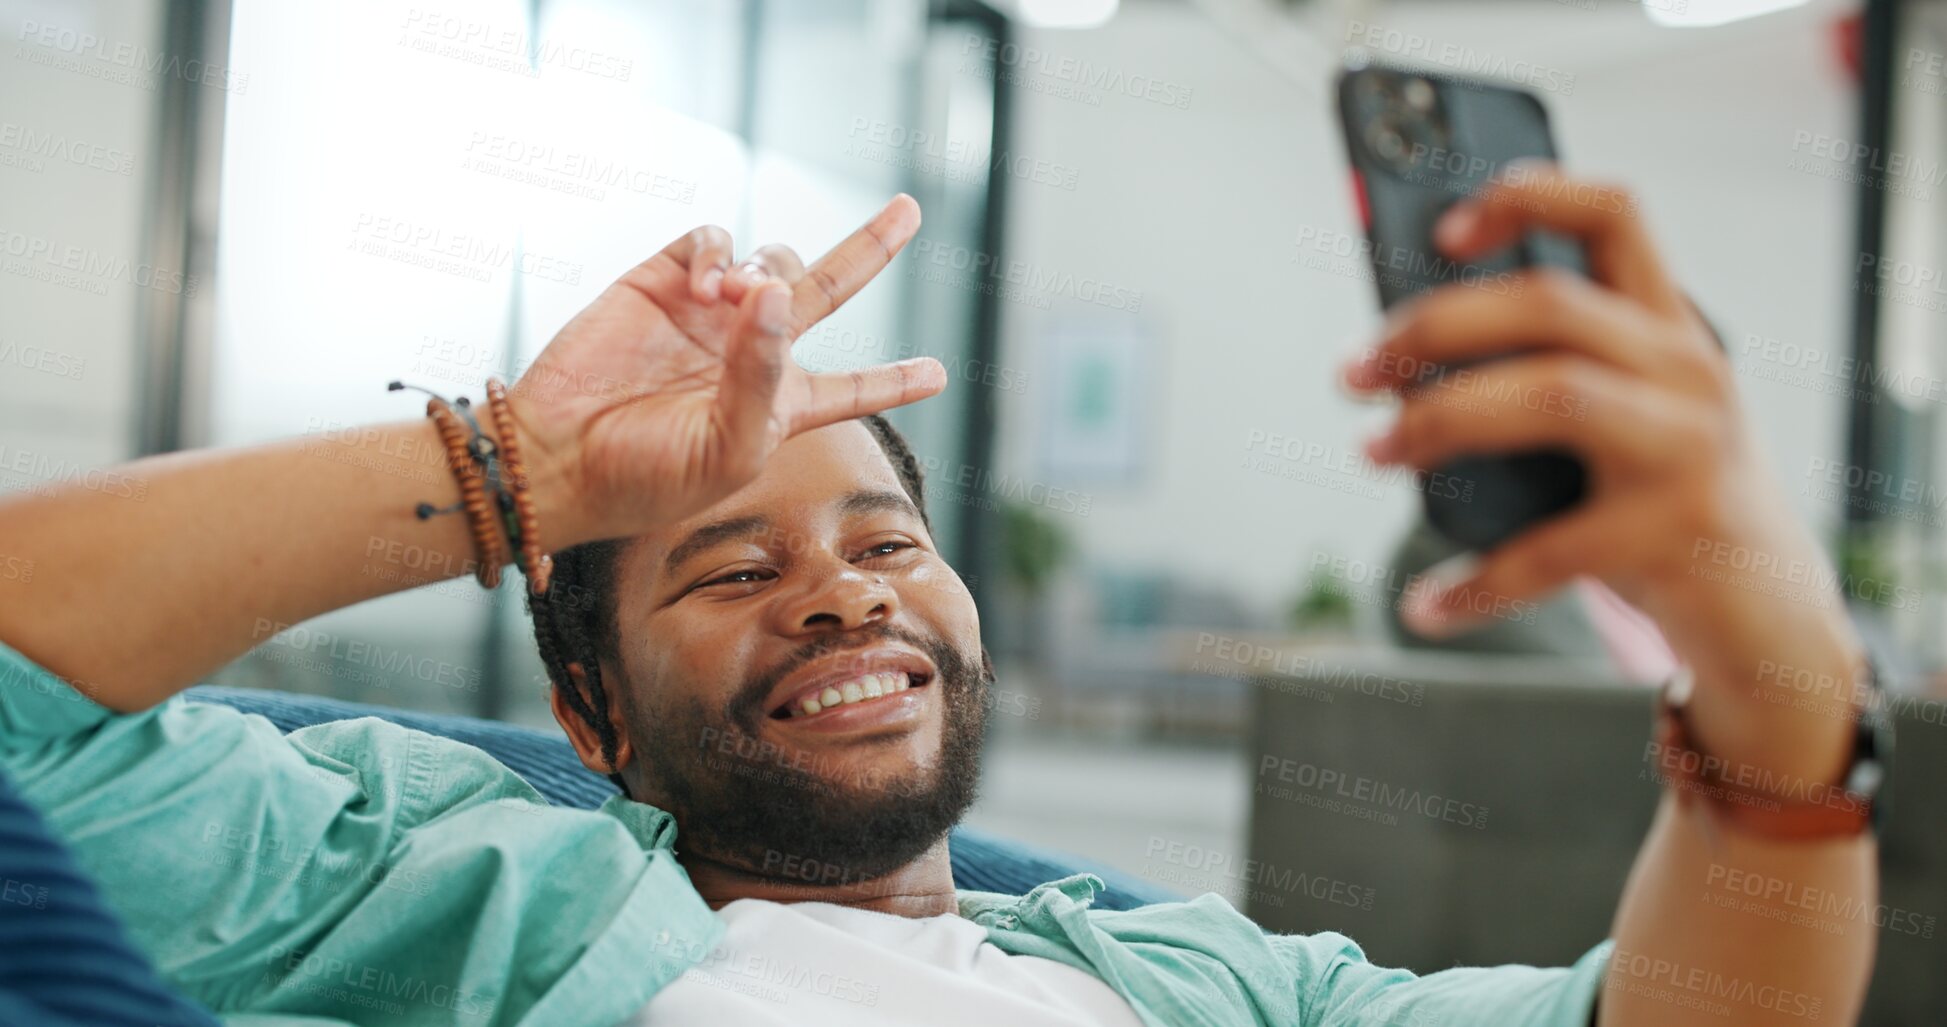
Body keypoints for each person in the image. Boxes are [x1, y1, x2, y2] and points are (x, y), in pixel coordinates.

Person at [0, 170, 1880, 1026]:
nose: (842, 598)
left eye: (889, 546)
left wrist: (1770, 645)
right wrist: (524, 472)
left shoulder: (1210, 985)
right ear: (591, 717)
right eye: (732, 565)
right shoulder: (427, 877)